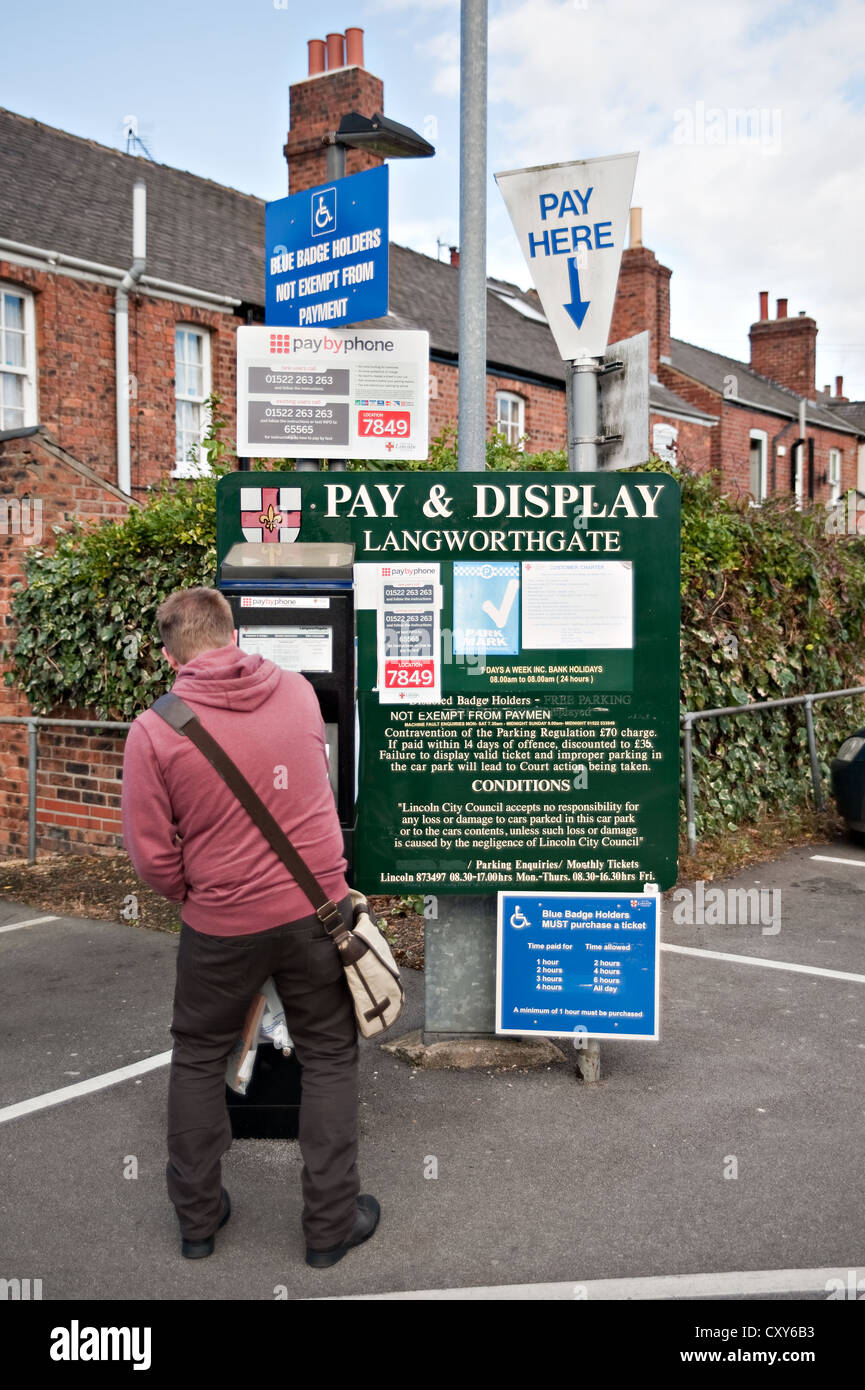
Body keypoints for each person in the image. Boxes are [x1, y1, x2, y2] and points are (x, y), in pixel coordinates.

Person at [121, 586, 379, 1266]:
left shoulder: (154, 730)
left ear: (168, 656)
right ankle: (329, 1227)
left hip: (222, 925)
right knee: (329, 1055)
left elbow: (151, 856)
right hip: (316, 911)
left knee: (198, 1056)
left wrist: (199, 894)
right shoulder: (297, 692)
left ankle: (198, 1224)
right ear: (234, 634)